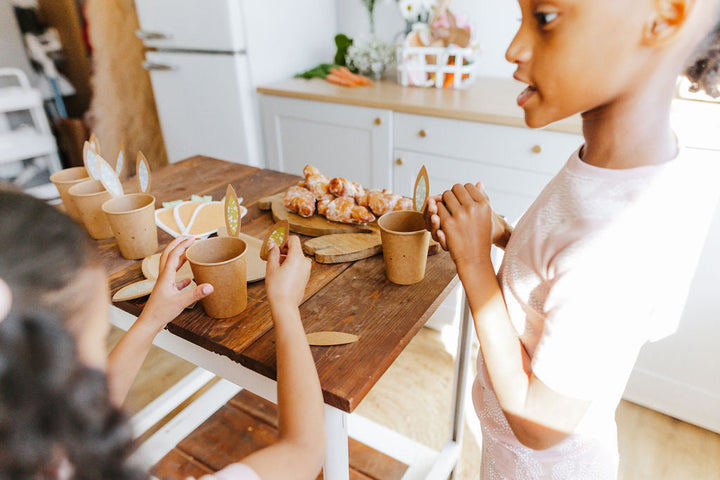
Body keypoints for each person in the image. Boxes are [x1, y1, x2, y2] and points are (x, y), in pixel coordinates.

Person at [424, 0, 720, 478]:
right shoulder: (613, 170)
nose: (514, 48)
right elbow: (563, 280)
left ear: (664, 17)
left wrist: (475, 263)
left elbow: (538, 426)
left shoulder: (620, 238)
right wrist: (502, 235)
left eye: (544, 18)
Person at [0, 187, 325, 480]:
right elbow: (303, 451)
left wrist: (151, 319)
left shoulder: (32, 440)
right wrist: (285, 305)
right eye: (100, 338)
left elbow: (80, 399)